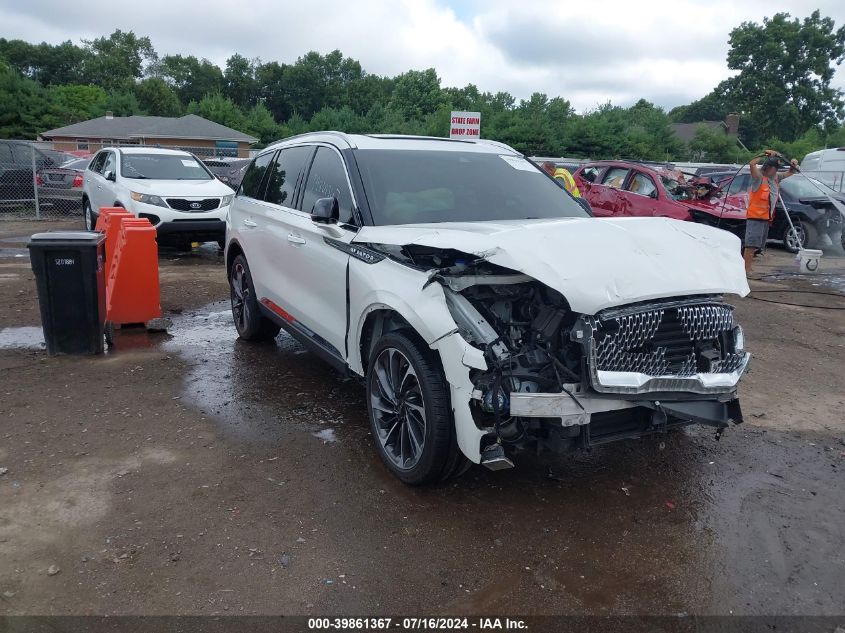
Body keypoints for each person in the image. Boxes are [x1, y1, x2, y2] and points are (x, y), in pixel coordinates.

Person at [743, 149, 799, 276]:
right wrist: (764, 153)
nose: (776, 171)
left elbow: (790, 172)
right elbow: (752, 164)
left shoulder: (775, 178)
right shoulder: (758, 178)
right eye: (775, 168)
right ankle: (746, 270)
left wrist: (794, 164)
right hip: (755, 217)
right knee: (751, 245)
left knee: (757, 246)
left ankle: (749, 268)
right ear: (768, 168)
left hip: (765, 218)